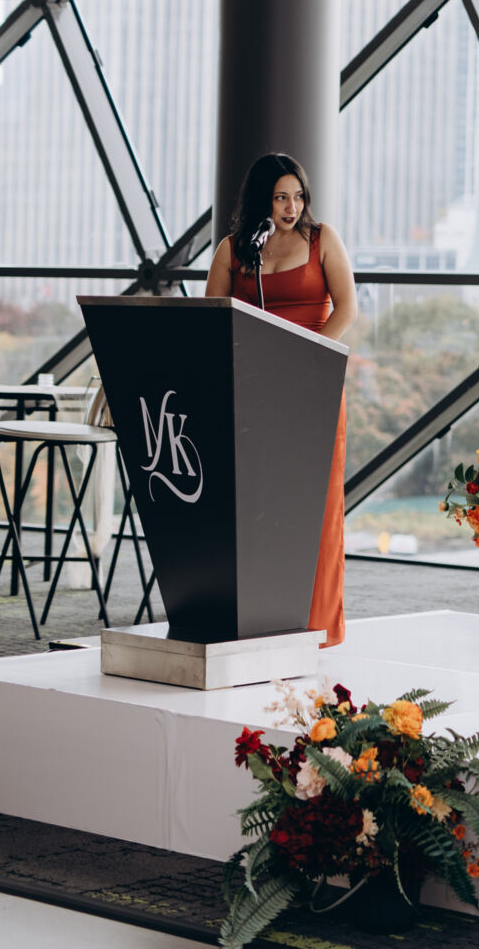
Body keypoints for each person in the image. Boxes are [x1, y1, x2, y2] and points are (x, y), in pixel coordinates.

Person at [205, 152, 357, 647]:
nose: (292, 207)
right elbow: (213, 315)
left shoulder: (322, 239)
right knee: (259, 506)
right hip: (254, 391)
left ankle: (317, 625)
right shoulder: (234, 249)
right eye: (280, 198)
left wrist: (309, 359)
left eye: (298, 196)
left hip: (314, 386)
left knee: (316, 506)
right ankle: (264, 618)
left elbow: (347, 309)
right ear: (261, 200)